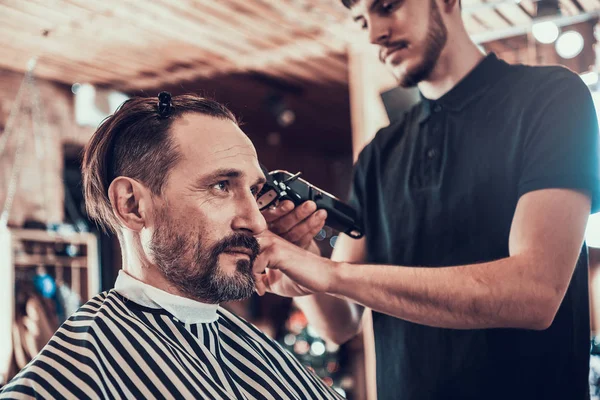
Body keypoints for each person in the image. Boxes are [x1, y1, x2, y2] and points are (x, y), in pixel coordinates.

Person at [253, 0, 600, 399]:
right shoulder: (379, 154)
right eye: (363, 20)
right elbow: (340, 324)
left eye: (387, 6)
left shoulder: (551, 98)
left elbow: (535, 294)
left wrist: (332, 274)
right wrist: (304, 261)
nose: (374, 34)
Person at [0, 93, 341, 400]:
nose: (257, 222)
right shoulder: (70, 376)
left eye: (253, 192)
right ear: (132, 205)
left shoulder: (249, 346)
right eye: (221, 186)